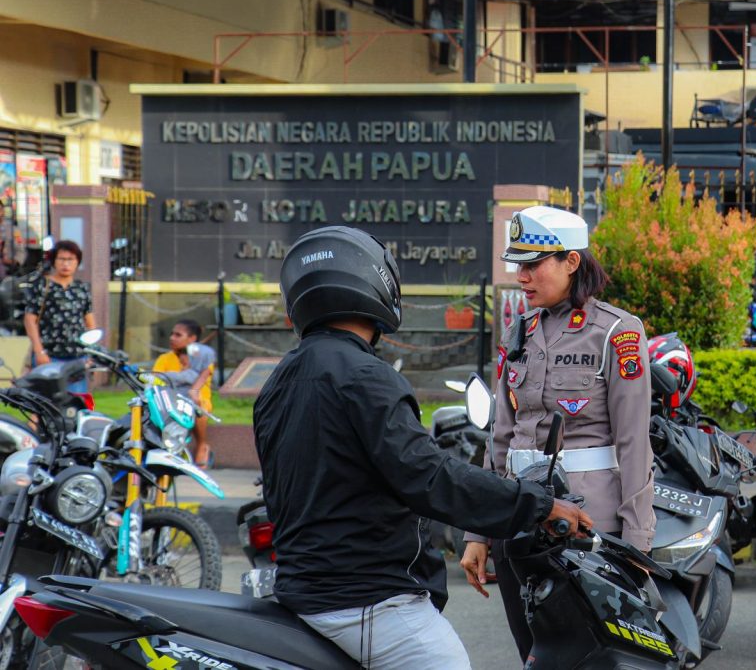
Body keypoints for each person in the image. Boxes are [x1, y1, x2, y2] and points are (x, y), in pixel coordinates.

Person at [252, 225, 591, 670]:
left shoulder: (277, 383)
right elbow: (431, 477)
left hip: (302, 590)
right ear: (374, 287)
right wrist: (539, 505)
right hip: (368, 599)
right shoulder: (365, 377)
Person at [460, 205, 656, 662]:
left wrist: (636, 546)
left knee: (584, 658)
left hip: (585, 529)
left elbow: (633, 444)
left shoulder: (617, 334)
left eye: (533, 264)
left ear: (571, 261)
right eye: (518, 265)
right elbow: (501, 443)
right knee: (533, 655)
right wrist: (478, 533)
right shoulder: (520, 333)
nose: (521, 276)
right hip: (518, 526)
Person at [23, 239, 95, 392]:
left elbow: (89, 322)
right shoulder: (42, 286)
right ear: (54, 261)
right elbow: (30, 319)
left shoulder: (81, 289)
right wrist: (39, 350)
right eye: (62, 259)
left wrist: (92, 350)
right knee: (46, 402)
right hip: (49, 355)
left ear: (77, 262)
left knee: (76, 403)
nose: (66, 264)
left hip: (77, 356)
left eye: (71, 259)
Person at [153, 319, 217, 468]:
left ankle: (202, 445)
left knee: (197, 404)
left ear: (192, 339)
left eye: (178, 335)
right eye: (172, 334)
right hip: (168, 399)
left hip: (196, 399)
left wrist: (193, 391)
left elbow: (203, 375)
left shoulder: (202, 357)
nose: (172, 338)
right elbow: (155, 378)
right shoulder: (165, 358)